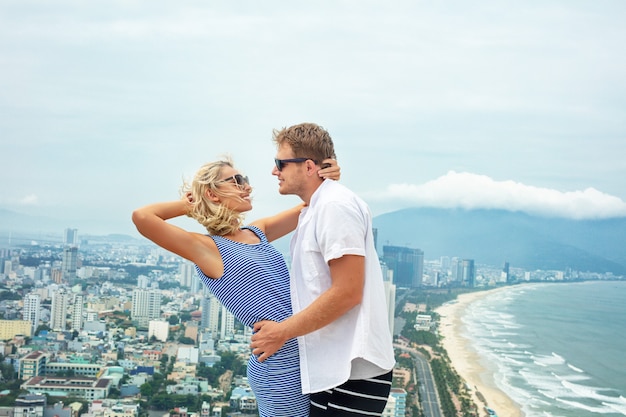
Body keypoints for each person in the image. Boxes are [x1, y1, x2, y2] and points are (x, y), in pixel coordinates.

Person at [131, 155, 340, 417]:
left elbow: (311, 206)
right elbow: (142, 217)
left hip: (304, 354)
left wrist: (327, 176)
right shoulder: (208, 249)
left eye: (246, 180)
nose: (247, 187)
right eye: (237, 181)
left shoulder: (257, 232)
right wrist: (191, 203)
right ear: (213, 193)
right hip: (278, 365)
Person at [251, 123, 396, 416]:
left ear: (307, 166)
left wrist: (282, 332)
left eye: (280, 163)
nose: (274, 171)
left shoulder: (334, 206)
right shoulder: (316, 207)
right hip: (334, 367)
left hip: (353, 370)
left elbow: (348, 292)